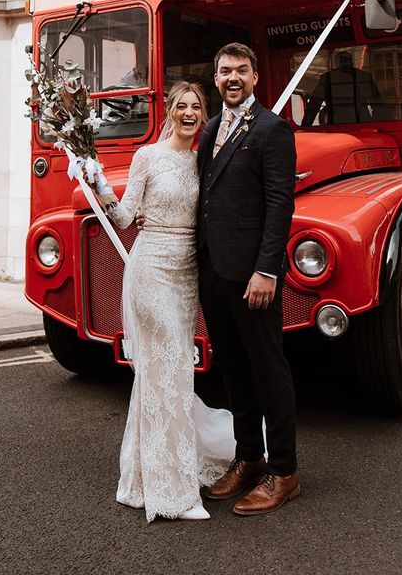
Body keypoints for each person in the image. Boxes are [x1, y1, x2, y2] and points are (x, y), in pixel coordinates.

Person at [98, 81, 233, 522]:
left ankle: (138, 479)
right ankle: (174, 492)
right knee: (169, 368)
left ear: (203, 114)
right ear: (170, 111)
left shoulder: (202, 163)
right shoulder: (147, 157)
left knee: (167, 374)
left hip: (185, 273)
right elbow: (122, 217)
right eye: (182, 106)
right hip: (151, 268)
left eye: (197, 107)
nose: (189, 113)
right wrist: (98, 182)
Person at [197, 43, 300, 516]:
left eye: (241, 70)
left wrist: (266, 270)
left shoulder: (272, 130)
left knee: (268, 369)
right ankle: (249, 458)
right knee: (234, 372)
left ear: (255, 77)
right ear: (215, 78)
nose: (232, 77)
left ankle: (284, 470)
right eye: (224, 71)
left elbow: (280, 204)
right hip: (214, 274)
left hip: (253, 277)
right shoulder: (211, 130)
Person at [302, 49, 382, 126]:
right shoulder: (365, 77)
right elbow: (377, 103)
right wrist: (379, 122)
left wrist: (306, 125)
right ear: (352, 61)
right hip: (363, 121)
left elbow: (314, 104)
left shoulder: (327, 78)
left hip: (336, 122)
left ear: (336, 63)